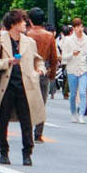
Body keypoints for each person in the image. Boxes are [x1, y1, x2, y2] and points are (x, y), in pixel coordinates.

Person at [0, 10, 42, 165]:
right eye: (22, 21)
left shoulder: (29, 42)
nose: (25, 24)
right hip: (6, 86)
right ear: (13, 24)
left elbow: (38, 60)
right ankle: (3, 151)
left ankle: (27, 152)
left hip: (25, 86)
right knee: (3, 120)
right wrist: (8, 61)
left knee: (27, 121)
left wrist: (39, 70)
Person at [25, 8, 57, 141]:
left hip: (27, 70)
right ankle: (38, 133)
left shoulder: (26, 35)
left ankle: (26, 130)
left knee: (26, 102)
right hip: (43, 69)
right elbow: (54, 58)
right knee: (41, 102)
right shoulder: (49, 36)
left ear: (30, 21)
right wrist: (52, 74)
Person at [60, 18, 87, 121]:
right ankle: (73, 113)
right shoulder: (68, 40)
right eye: (77, 27)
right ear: (73, 28)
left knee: (82, 92)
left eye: (81, 26)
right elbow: (63, 57)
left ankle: (81, 114)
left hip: (83, 68)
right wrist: (72, 54)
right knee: (73, 94)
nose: (79, 29)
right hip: (72, 69)